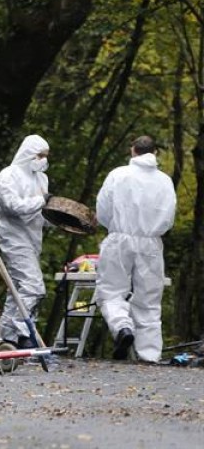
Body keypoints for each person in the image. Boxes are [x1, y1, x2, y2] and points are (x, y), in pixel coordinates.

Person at [95, 135, 176, 363]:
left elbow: (102, 210)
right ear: (155, 153)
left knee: (111, 291)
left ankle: (122, 327)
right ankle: (150, 354)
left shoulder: (118, 175)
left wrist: (114, 228)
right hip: (151, 242)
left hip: (119, 240)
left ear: (133, 151)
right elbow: (168, 218)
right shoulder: (164, 181)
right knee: (149, 299)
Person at [0, 134, 50, 348]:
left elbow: (41, 213)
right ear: (28, 154)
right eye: (40, 155)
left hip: (33, 238)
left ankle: (7, 337)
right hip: (13, 237)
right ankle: (24, 331)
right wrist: (41, 201)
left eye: (46, 156)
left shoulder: (41, 179)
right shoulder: (9, 176)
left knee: (17, 288)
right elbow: (13, 206)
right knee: (34, 286)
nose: (43, 160)